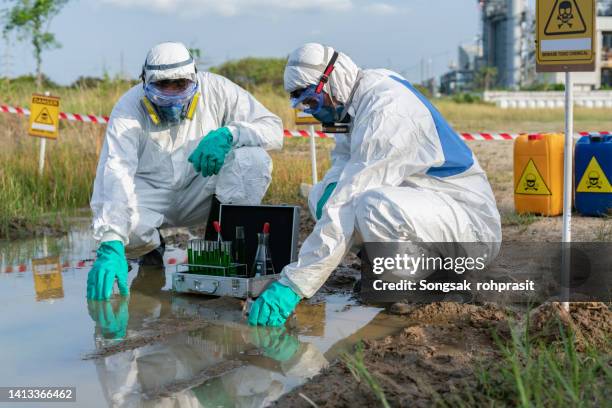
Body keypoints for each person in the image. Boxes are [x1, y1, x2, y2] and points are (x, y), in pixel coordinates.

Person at [248, 43, 501, 326]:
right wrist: (331, 198)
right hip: (426, 207)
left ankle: (425, 282)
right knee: (322, 195)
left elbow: (349, 200)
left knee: (371, 205)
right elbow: (343, 168)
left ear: (331, 81)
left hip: (471, 227)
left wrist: (294, 285)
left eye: (312, 102)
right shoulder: (354, 102)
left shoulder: (386, 111)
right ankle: (392, 268)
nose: (311, 112)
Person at [87, 42, 283, 300]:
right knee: (120, 230)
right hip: (152, 196)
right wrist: (110, 242)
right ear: (145, 83)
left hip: (201, 189)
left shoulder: (218, 90)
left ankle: (222, 246)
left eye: (180, 86)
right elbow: (116, 170)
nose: (172, 98)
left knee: (253, 159)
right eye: (161, 88)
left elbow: (273, 128)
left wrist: (231, 133)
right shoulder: (129, 107)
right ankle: (151, 248)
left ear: (195, 79)